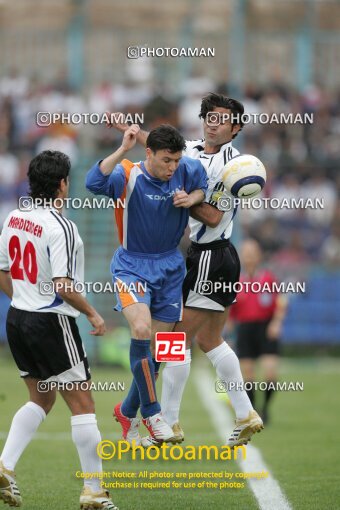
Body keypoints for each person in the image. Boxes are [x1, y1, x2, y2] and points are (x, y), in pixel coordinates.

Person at [107, 93, 264, 448]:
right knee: (209, 340)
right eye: (209, 115)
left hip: (212, 254)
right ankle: (245, 413)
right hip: (205, 255)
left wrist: (181, 200)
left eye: (223, 118)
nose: (213, 121)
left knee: (172, 341)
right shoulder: (190, 150)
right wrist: (132, 130)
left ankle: (168, 422)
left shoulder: (236, 167)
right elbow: (162, 148)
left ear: (236, 128)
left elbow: (213, 216)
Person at [0, 150, 116, 510]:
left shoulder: (13, 216)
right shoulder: (60, 225)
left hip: (17, 319)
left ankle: (4, 466)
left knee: (41, 398)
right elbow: (64, 285)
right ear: (63, 184)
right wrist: (94, 315)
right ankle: (94, 491)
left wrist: (25, 297)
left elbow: (3, 271)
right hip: (51, 321)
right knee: (83, 404)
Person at [85, 124, 207, 445]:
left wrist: (191, 197)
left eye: (176, 161)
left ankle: (127, 411)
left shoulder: (186, 168)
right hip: (132, 265)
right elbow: (93, 181)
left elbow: (202, 189)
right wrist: (123, 148)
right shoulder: (128, 174)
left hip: (170, 266)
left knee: (161, 352)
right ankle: (153, 414)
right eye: (166, 160)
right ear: (148, 152)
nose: (172, 167)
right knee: (141, 330)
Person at [227, 239, 287, 424]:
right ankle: (253, 412)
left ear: (259, 255)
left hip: (265, 328)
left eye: (252, 253)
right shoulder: (237, 281)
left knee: (270, 372)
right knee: (248, 375)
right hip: (245, 329)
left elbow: (280, 302)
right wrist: (227, 335)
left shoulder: (268, 278)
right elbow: (231, 312)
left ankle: (265, 408)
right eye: (245, 253)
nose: (249, 256)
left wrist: (276, 323)